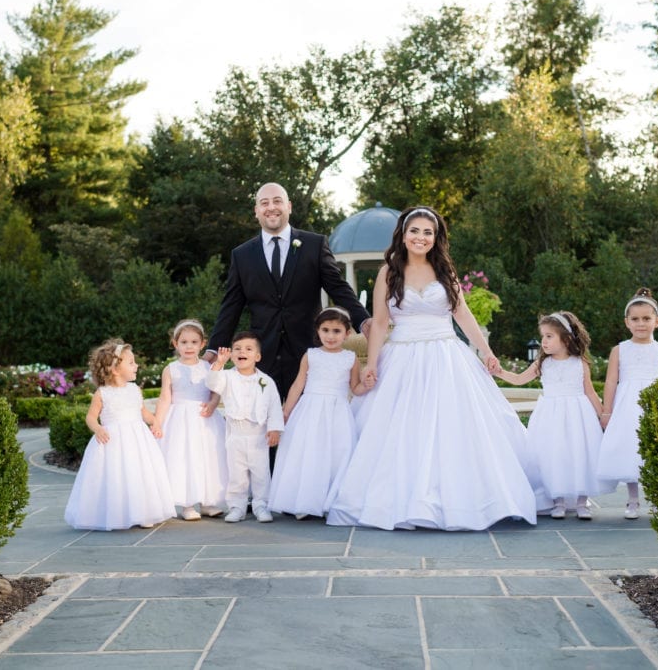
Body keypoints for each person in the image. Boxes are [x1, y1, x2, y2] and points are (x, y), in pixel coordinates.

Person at [326, 206, 538, 531]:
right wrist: (373, 362)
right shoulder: (388, 272)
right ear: (403, 233)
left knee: (454, 428)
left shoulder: (444, 271)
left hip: (446, 356)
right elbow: (381, 323)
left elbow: (463, 315)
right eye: (415, 231)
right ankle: (401, 501)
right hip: (402, 358)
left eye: (428, 232)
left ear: (435, 238)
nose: (421, 238)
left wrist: (487, 352)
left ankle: (462, 501)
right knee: (399, 431)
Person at [206, 182, 370, 401]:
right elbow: (231, 306)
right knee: (265, 426)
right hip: (263, 355)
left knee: (307, 424)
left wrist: (364, 321)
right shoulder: (241, 254)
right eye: (264, 203)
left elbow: (337, 287)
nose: (271, 207)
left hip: (307, 352)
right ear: (256, 211)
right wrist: (215, 349)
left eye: (277, 201)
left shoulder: (314, 244)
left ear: (289, 206)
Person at [495, 312, 605, 520]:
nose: (543, 341)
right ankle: (558, 501)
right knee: (554, 455)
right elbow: (519, 380)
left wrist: (603, 415)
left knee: (579, 454)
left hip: (578, 415)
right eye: (543, 336)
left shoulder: (579, 363)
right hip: (551, 416)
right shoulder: (542, 364)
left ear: (565, 338)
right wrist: (498, 372)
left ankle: (582, 501)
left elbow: (589, 391)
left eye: (548, 336)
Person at [269, 307, 372, 520]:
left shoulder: (350, 358)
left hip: (338, 412)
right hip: (310, 409)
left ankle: (329, 499)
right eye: (325, 330)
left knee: (336, 453)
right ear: (318, 331)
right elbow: (298, 384)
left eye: (336, 331)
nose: (331, 336)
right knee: (308, 452)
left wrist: (367, 385)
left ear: (347, 333)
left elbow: (355, 388)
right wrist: (286, 411)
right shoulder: (311, 355)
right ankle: (303, 500)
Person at [64, 339, 175, 531]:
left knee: (138, 473)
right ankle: (117, 513)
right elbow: (90, 417)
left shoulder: (135, 389)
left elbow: (143, 412)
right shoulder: (102, 393)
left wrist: (155, 421)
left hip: (138, 440)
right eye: (131, 362)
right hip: (114, 441)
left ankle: (143, 512)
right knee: (117, 476)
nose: (136, 365)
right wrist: (98, 429)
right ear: (115, 369)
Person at [597, 288, 658, 519]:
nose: (641, 324)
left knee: (655, 451)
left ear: (657, 321)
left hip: (654, 405)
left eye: (646, 319)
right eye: (635, 319)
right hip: (627, 407)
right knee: (631, 450)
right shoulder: (619, 350)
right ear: (627, 322)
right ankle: (632, 500)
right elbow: (611, 381)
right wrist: (606, 411)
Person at [206, 332, 284, 523]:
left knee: (261, 473)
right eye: (238, 349)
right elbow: (212, 384)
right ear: (232, 354)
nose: (242, 352)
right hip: (236, 434)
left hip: (259, 435)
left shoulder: (266, 381)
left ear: (257, 356)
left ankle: (261, 505)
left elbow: (274, 406)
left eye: (248, 349)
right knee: (237, 473)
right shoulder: (226, 376)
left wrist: (274, 429)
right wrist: (219, 364)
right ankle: (237, 506)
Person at [154, 319, 227, 521]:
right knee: (184, 458)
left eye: (194, 342)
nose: (189, 346)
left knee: (209, 457)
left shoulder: (208, 367)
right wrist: (157, 422)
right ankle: (187, 504)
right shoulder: (171, 369)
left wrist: (212, 404)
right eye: (184, 342)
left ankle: (207, 502)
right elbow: (165, 398)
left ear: (202, 344)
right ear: (175, 343)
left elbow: (216, 390)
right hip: (180, 420)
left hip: (205, 419)